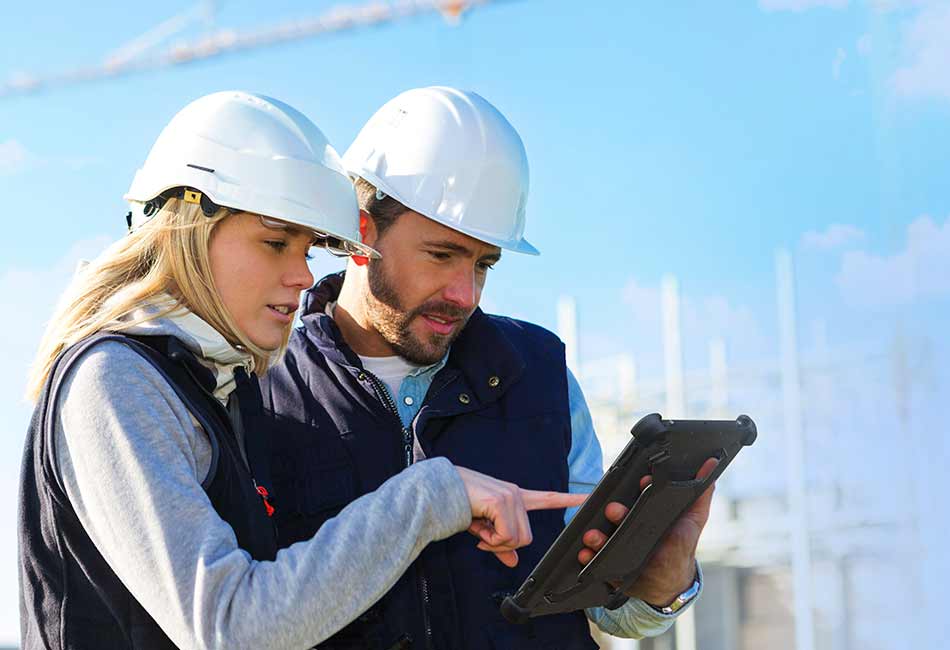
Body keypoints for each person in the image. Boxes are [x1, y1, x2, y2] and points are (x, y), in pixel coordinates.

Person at [17, 91, 585, 650]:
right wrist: (432, 496)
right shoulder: (114, 380)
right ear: (189, 226)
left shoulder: (207, 386)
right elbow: (231, 626)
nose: (303, 274)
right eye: (275, 243)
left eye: (307, 248)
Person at [258, 86, 712, 650]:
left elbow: (612, 612)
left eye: (484, 263)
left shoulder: (541, 376)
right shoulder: (260, 393)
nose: (464, 293)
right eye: (442, 254)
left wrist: (663, 579)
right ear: (359, 230)